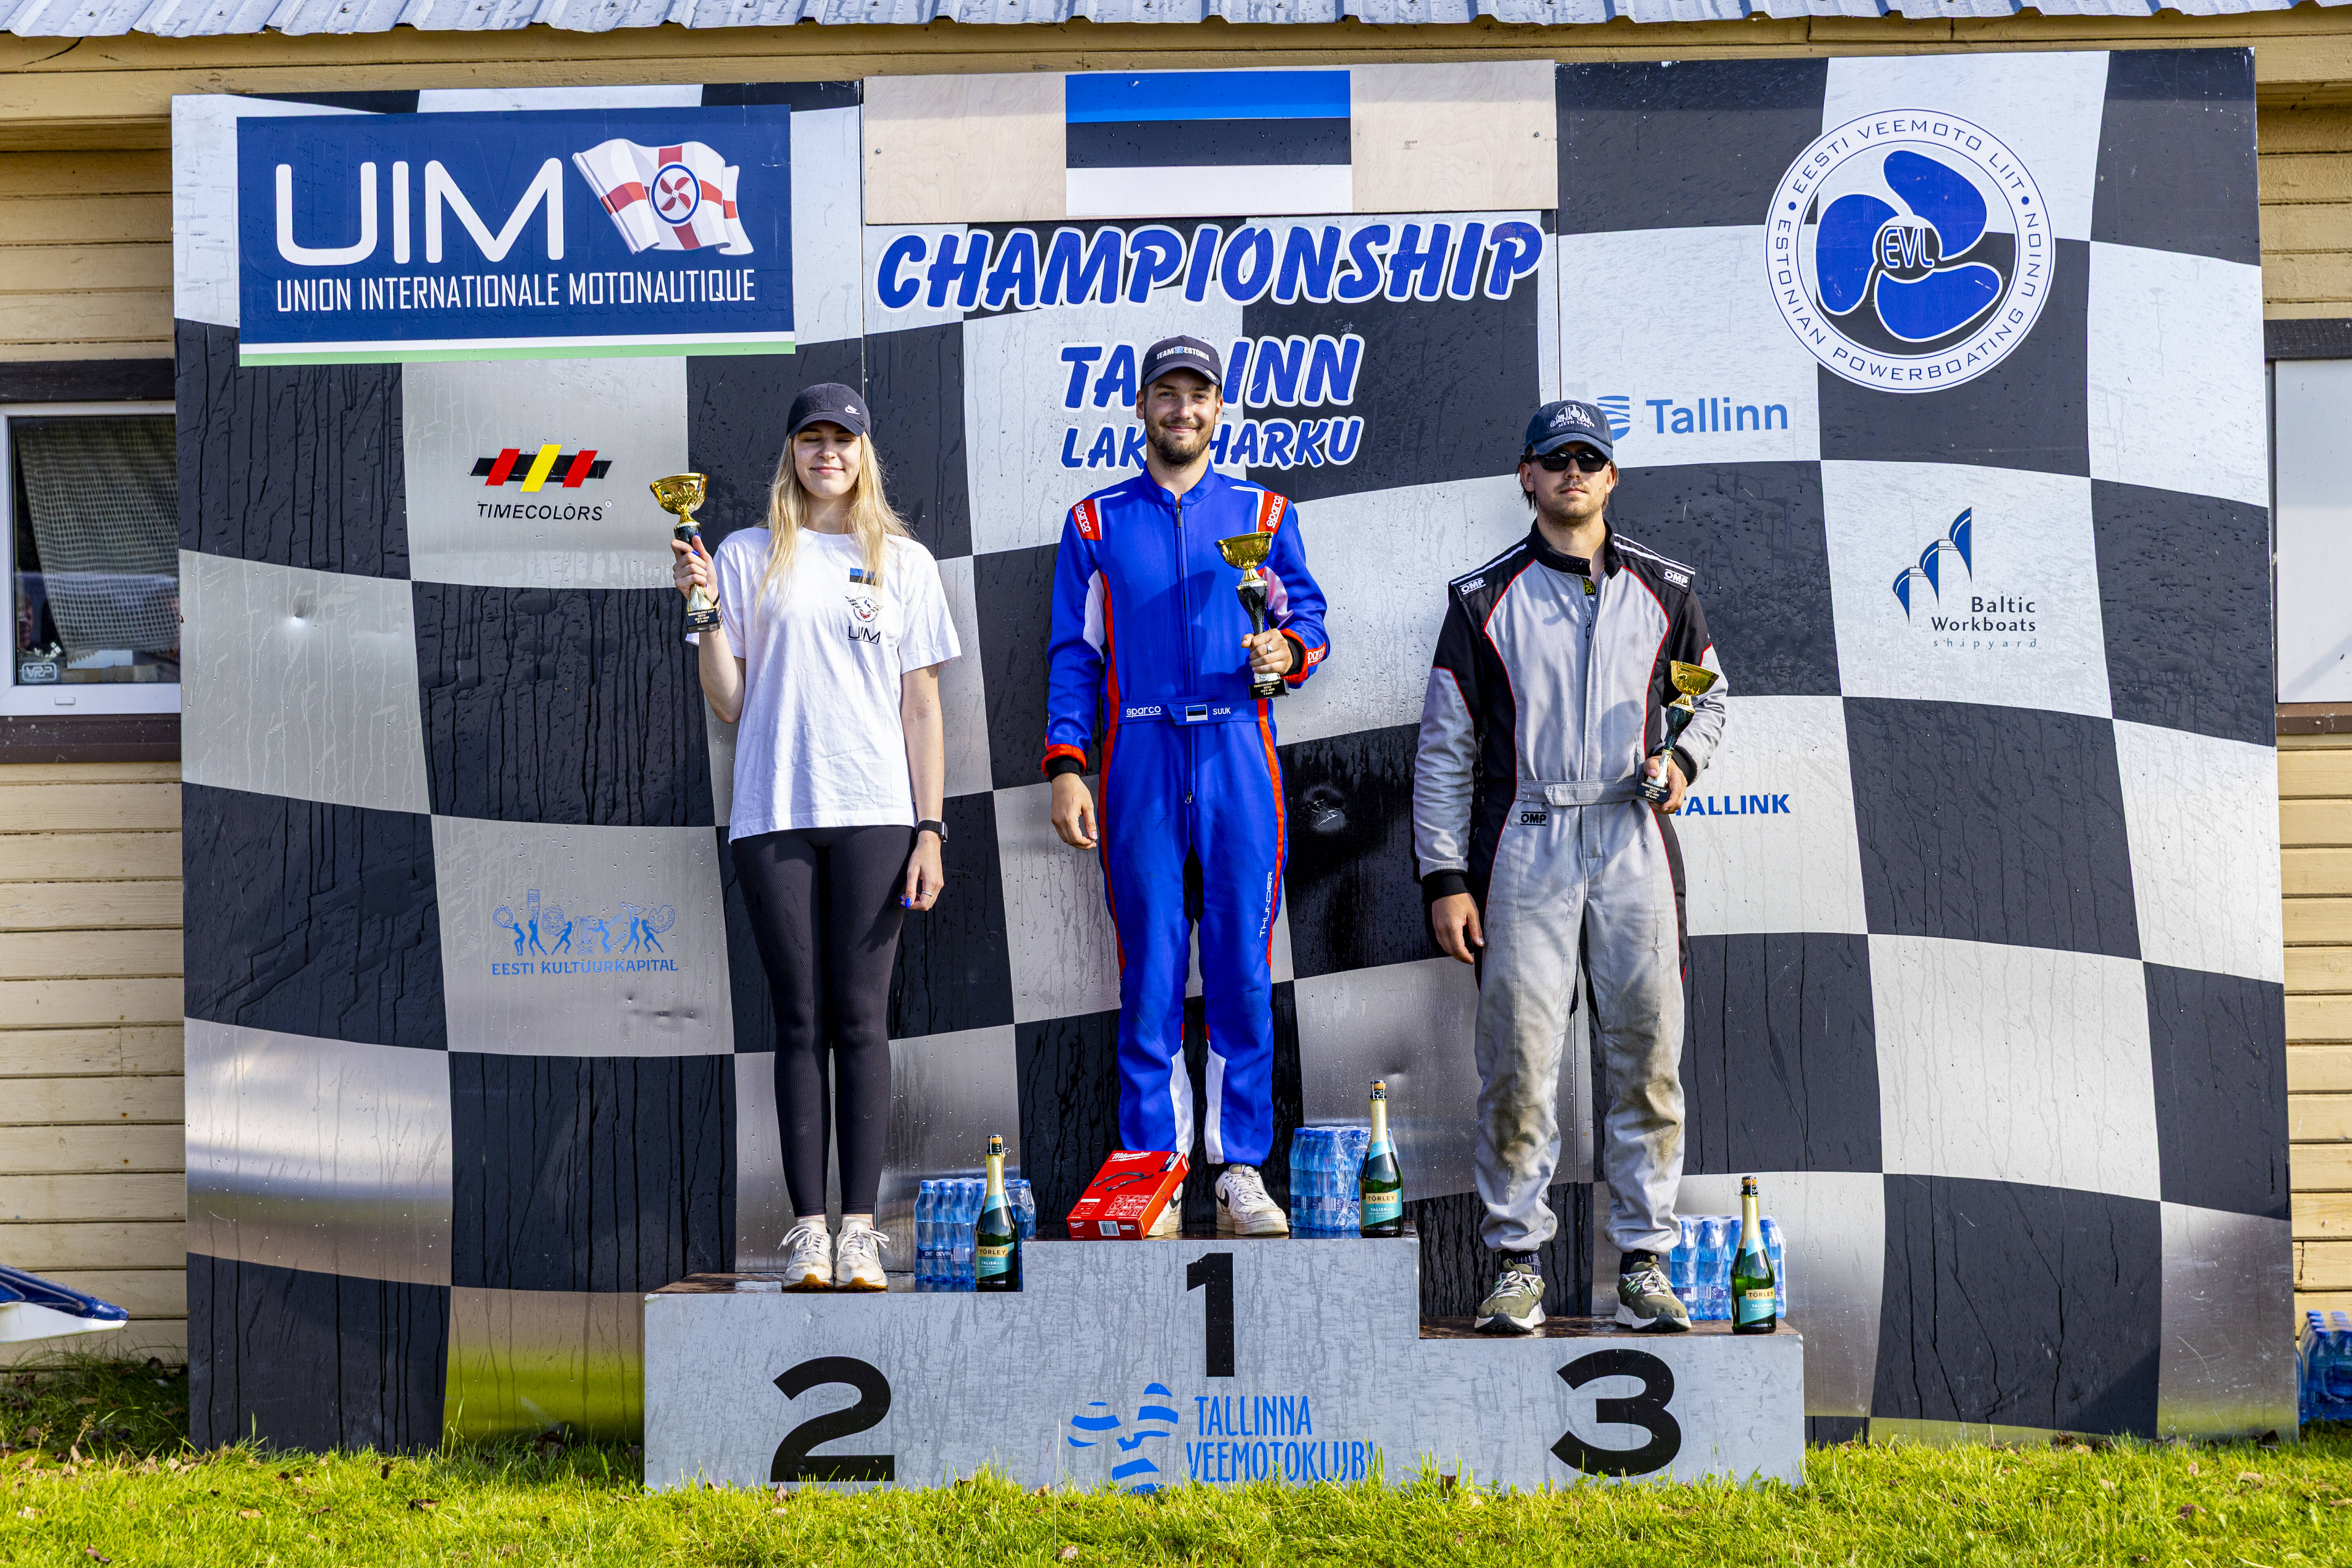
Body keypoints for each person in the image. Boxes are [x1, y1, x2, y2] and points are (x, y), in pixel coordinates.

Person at [1412, 399, 1729, 1334]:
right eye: (1557, 460)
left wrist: (1682, 761)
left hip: (1634, 837)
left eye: (1591, 459)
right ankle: (1517, 1264)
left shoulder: (1668, 592)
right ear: (1528, 475)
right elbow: (1445, 748)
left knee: (1649, 1061)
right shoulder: (1481, 599)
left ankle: (1645, 1265)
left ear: (1612, 476)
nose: (1574, 474)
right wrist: (1444, 875)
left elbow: (1707, 700)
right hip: (1529, 839)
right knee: (1518, 1065)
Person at [673, 383, 960, 1291]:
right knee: (799, 1020)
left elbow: (923, 707)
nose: (827, 452)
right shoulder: (746, 552)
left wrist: (930, 829)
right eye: (812, 438)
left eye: (843, 438)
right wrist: (703, 610)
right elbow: (728, 700)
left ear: (864, 452)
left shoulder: (905, 561)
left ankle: (861, 1231)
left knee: (862, 1019)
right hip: (774, 813)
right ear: (792, 451)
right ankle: (808, 1231)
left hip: (877, 813)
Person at [1043, 336, 1330, 1238]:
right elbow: (1075, 654)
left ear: (1218, 407)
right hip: (1138, 752)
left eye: (1197, 394)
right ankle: (1153, 1171)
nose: (1182, 409)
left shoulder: (1264, 512)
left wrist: (1289, 651)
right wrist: (1067, 762)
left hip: (1240, 745)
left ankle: (1239, 1168)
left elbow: (1308, 618)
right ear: (1142, 406)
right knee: (1151, 966)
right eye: (1166, 393)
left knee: (1243, 966)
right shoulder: (1095, 521)